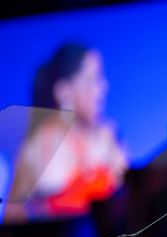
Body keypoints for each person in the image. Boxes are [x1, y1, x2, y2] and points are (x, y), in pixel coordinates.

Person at [4, 42, 128, 223]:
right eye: (92, 80)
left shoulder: (108, 136)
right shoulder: (40, 146)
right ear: (64, 91)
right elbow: (12, 218)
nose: (102, 88)